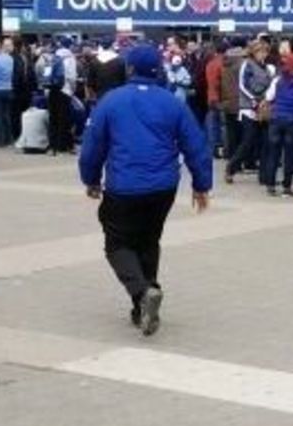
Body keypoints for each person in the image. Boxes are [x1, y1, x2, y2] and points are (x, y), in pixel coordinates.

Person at [79, 44, 211, 337]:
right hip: (163, 186)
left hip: (124, 186)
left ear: (129, 70)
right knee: (149, 241)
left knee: (117, 243)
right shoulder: (172, 102)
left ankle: (142, 292)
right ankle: (143, 306)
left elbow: (93, 147)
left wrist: (90, 179)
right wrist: (202, 185)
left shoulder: (111, 101)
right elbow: (196, 145)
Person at [224, 41, 271, 184]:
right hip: (248, 108)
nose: (263, 54)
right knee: (248, 142)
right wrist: (254, 99)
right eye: (260, 51)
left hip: (262, 108)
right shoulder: (247, 65)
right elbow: (242, 85)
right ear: (254, 52)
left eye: (265, 52)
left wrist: (266, 99)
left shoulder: (267, 68)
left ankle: (264, 176)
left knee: (265, 143)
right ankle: (231, 167)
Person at [262, 51, 293, 198]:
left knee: (273, 153)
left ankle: (270, 185)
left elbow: (268, 97)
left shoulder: (277, 80)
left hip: (276, 119)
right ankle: (287, 186)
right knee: (290, 154)